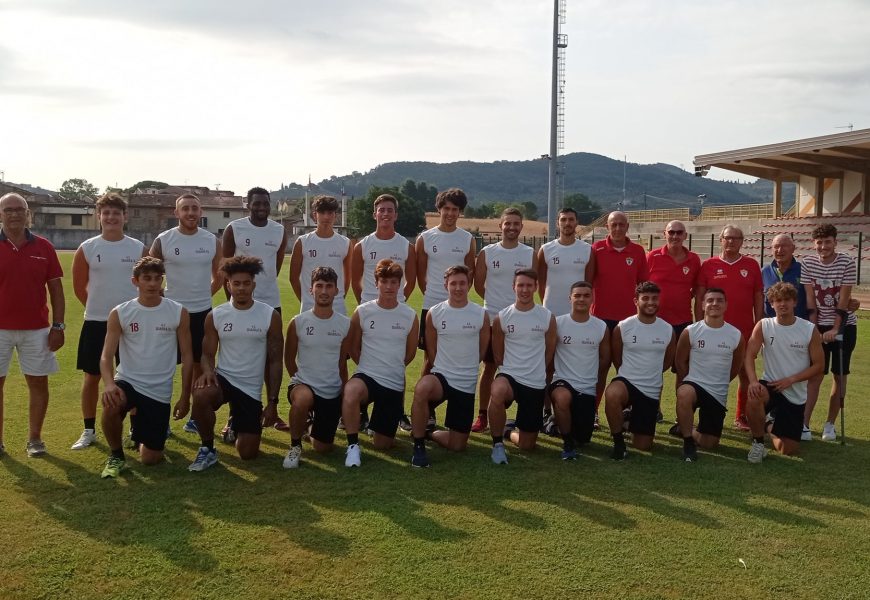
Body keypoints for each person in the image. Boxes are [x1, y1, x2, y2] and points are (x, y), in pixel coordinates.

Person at [185, 256, 284, 471]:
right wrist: (208, 371)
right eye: (236, 283)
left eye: (246, 283)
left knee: (247, 454)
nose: (241, 288)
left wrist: (273, 402)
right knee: (202, 394)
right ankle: (207, 449)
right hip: (225, 379)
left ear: (253, 285)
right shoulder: (216, 316)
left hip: (250, 389)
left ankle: (235, 424)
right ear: (227, 284)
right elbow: (207, 354)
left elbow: (276, 361)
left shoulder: (269, 316)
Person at [98, 257, 192, 477]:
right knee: (111, 403)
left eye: (157, 279)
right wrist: (110, 384)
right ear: (135, 281)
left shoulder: (178, 312)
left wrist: (185, 396)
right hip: (128, 380)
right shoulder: (120, 312)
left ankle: (138, 426)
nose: (152, 284)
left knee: (150, 459)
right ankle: (116, 455)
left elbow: (187, 356)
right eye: (146, 278)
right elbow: (106, 356)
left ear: (162, 281)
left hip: (158, 390)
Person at [70, 193, 146, 450]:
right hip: (96, 321)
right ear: (99, 216)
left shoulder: (137, 248)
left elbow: (148, 283)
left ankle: (137, 430)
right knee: (92, 377)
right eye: (106, 213)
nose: (111, 217)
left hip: (131, 323)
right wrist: (100, 311)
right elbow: (80, 288)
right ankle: (89, 429)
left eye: (116, 213)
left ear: (124, 217)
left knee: (133, 377)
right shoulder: (88, 248)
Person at [150, 193, 222, 435]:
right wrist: (164, 298)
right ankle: (160, 417)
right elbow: (150, 273)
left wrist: (204, 294)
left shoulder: (211, 240)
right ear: (176, 212)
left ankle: (195, 415)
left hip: (203, 312)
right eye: (186, 209)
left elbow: (219, 275)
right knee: (165, 365)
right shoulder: (164, 240)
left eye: (195, 208)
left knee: (200, 366)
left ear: (201, 212)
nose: (191, 213)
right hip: (171, 313)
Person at [0, 193, 65, 458]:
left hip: (37, 328)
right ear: (1, 214)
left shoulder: (44, 247)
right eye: (8, 210)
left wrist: (58, 326)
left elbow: (57, 292)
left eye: (20, 209)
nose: (14, 214)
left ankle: (35, 439)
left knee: (38, 384)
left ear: (28, 214)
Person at [222, 186, 288, 432]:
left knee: (272, 359)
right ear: (248, 204)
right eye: (256, 203)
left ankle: (272, 410)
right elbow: (225, 270)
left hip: (271, 304)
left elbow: (275, 266)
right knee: (240, 361)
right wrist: (235, 303)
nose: (261, 208)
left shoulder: (279, 230)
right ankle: (234, 416)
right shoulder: (234, 229)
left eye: (265, 204)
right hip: (241, 306)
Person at [409, 265, 489, 468]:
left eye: (462, 283)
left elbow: (481, 350)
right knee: (422, 388)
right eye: (453, 283)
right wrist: (444, 368)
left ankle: (428, 433)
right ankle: (418, 446)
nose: (458, 288)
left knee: (457, 446)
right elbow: (432, 351)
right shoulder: (435, 313)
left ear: (468, 284)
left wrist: (465, 366)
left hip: (465, 383)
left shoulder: (480, 314)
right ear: (446, 285)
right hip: (442, 377)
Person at [342, 259, 418, 467]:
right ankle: (352, 446)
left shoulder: (409, 315)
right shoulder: (363, 311)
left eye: (394, 282)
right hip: (367, 377)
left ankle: (377, 425)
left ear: (400, 285)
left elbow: (410, 354)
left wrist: (391, 366)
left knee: (382, 445)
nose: (389, 287)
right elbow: (353, 347)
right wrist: (368, 365)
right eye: (384, 282)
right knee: (351, 391)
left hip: (393, 382)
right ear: (376, 284)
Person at [744, 282, 823, 463]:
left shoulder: (809, 329)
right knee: (755, 395)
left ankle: (768, 423)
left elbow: (818, 366)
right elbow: (749, 356)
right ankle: (758, 443)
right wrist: (754, 381)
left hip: (794, 391)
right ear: (771, 304)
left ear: (795, 302)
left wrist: (791, 379)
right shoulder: (764, 325)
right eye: (777, 300)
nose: (782, 304)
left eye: (787, 300)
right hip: (770, 385)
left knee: (788, 450)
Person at [471, 207, 534, 433]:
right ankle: (482, 416)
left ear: (521, 227)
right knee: (488, 368)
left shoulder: (529, 253)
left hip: (521, 321)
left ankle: (519, 417)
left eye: (516, 224)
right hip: (491, 319)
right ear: (500, 226)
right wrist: (494, 304)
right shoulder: (488, 253)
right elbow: (479, 284)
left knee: (521, 366)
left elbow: (533, 284)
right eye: (508, 223)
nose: (512, 227)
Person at [695, 225, 762, 432]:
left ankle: (741, 415)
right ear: (721, 240)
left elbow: (758, 296)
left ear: (742, 241)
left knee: (745, 374)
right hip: (712, 331)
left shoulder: (751, 265)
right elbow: (699, 297)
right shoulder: (708, 265)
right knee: (708, 373)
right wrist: (699, 325)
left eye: (736, 238)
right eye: (727, 238)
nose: (731, 241)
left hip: (744, 331)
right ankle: (702, 415)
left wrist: (758, 325)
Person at [487, 269, 557, 464]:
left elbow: (549, 352)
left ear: (536, 287)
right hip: (510, 376)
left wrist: (534, 370)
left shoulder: (547, 317)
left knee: (527, 445)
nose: (524, 290)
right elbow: (498, 354)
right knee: (498, 390)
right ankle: (497, 444)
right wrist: (510, 371)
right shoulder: (503, 317)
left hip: (534, 382)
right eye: (520, 285)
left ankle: (508, 431)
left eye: (529, 285)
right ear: (514, 287)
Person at [283, 266, 350, 468]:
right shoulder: (298, 322)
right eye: (319, 286)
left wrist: (343, 391)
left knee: (323, 448)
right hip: (303, 385)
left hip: (330, 390)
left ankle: (310, 425)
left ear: (336, 291)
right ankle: (295, 446)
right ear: (311, 290)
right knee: (303, 398)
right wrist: (300, 380)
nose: (324, 291)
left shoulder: (345, 324)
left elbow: (342, 362)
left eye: (329, 286)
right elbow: (288, 359)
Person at [604, 282, 675, 460]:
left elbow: (667, 361)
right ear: (636, 301)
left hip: (650, 388)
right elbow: (617, 358)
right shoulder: (623, 327)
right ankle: (618, 442)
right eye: (645, 298)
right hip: (627, 381)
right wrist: (630, 373)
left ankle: (628, 419)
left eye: (654, 298)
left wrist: (650, 372)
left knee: (643, 446)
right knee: (612, 394)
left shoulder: (667, 329)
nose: (650, 302)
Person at [672, 288, 744, 462]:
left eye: (719, 300)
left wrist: (721, 382)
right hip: (694, 384)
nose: (715, 304)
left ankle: (685, 429)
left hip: (717, 392)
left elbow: (736, 366)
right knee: (684, 393)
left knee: (709, 443)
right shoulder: (691, 331)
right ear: (703, 305)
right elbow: (680, 361)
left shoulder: (735, 335)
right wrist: (687, 380)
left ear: (726, 305)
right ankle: (688, 442)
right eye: (710, 300)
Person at [801, 224, 858, 442]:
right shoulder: (808, 263)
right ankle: (804, 424)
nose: (823, 246)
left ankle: (830, 424)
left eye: (827, 242)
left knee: (839, 375)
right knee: (815, 375)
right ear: (814, 243)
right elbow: (810, 299)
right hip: (819, 326)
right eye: (819, 242)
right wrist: (814, 329)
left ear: (835, 241)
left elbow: (843, 301)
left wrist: (836, 328)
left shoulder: (846, 262)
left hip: (844, 325)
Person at [646, 219, 701, 423]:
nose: (675, 236)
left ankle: (681, 413)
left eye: (679, 232)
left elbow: (698, 291)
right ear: (664, 234)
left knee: (682, 369)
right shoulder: (652, 257)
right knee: (655, 368)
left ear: (685, 236)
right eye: (672, 232)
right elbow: (642, 289)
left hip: (683, 322)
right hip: (656, 324)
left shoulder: (694, 260)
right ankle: (654, 408)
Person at [548, 281, 610, 461]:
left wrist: (592, 378)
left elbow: (605, 359)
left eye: (586, 295)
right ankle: (567, 445)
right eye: (577, 295)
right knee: (562, 397)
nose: (581, 299)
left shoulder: (600, 326)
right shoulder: (558, 323)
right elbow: (549, 354)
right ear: (570, 298)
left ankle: (555, 424)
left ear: (592, 298)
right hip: (562, 382)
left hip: (586, 387)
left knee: (583, 438)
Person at [415, 188, 475, 358]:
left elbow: (469, 273)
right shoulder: (425, 238)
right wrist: (431, 294)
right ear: (439, 209)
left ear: (460, 212)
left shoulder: (467, 239)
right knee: (430, 357)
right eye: (446, 209)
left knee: (455, 353)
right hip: (431, 305)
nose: (450, 213)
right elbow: (421, 275)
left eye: (455, 209)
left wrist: (458, 297)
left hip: (458, 306)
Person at [289, 195, 352, 315]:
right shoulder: (303, 242)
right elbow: (293, 278)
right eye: (322, 212)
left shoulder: (345, 243)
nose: (326, 217)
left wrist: (337, 298)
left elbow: (347, 278)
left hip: (337, 308)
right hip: (309, 308)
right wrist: (306, 300)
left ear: (336, 215)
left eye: (330, 212)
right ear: (314, 215)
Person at [350, 193, 416, 305]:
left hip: (396, 308)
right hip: (368, 307)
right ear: (375, 215)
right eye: (382, 210)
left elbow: (411, 282)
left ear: (395, 215)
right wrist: (365, 304)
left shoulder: (407, 247)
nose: (386, 213)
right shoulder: (361, 246)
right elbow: (355, 282)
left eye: (390, 210)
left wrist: (398, 301)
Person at [591, 211, 648, 330]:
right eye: (614, 225)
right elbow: (588, 280)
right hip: (600, 315)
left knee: (624, 349)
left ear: (627, 227)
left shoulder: (638, 251)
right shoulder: (596, 249)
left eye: (621, 225)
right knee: (603, 349)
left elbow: (643, 284)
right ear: (607, 227)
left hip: (629, 316)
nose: (618, 228)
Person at [537, 207, 595, 317]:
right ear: (557, 223)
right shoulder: (545, 249)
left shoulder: (587, 250)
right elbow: (541, 284)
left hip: (577, 312)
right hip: (551, 311)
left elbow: (589, 285)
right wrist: (546, 305)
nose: (567, 223)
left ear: (577, 222)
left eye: (571, 219)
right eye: (563, 219)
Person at [761, 234, 807, 319]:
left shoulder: (803, 270)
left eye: (784, 246)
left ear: (793, 248)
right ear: (771, 249)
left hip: (798, 326)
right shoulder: (764, 272)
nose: (780, 250)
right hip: (772, 327)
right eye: (776, 246)